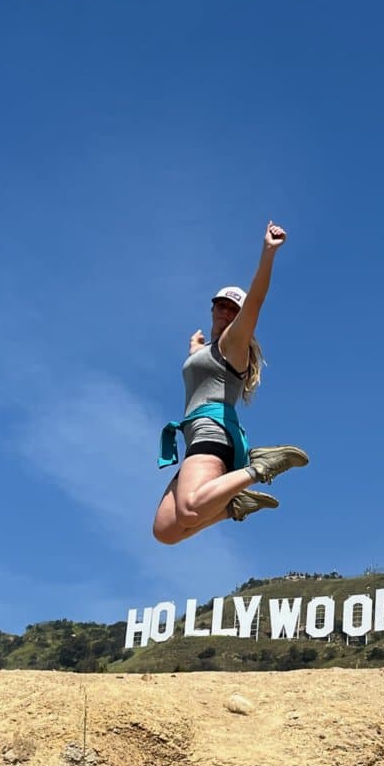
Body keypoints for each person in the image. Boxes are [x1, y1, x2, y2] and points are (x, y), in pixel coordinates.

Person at [152, 220, 309, 545]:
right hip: (198, 433)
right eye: (220, 304)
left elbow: (255, 302)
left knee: (191, 510)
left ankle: (261, 467)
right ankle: (233, 505)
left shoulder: (233, 344)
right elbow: (202, 371)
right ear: (212, 308)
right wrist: (194, 350)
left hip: (214, 432)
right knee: (166, 530)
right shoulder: (210, 349)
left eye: (232, 308)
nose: (226, 311)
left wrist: (268, 253)